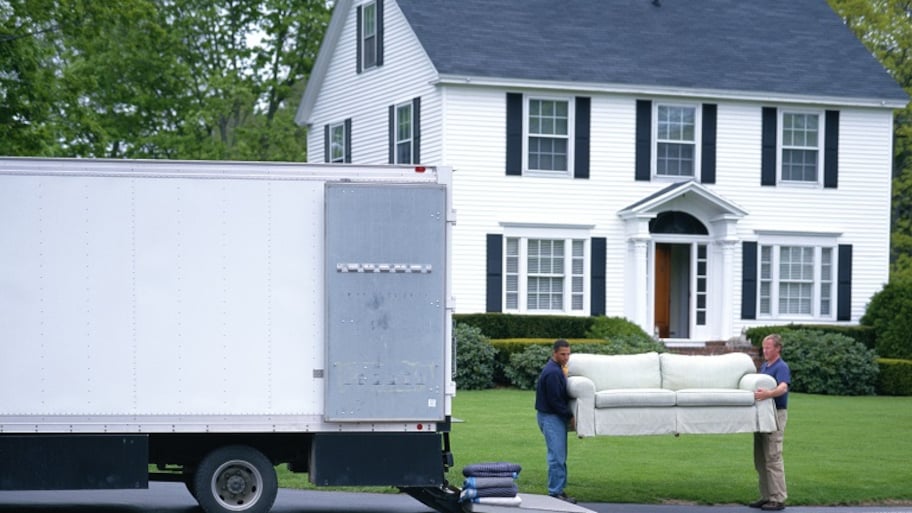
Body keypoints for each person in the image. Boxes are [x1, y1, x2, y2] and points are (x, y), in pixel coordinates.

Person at [750, 334, 791, 511]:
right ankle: (766, 496)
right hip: (762, 415)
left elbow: (783, 387)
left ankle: (778, 498)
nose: (765, 350)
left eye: (768, 347)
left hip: (776, 414)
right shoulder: (765, 366)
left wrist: (768, 394)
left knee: (773, 456)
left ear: (777, 348)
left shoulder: (781, 367)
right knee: (760, 457)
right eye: (764, 347)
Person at [535, 339, 576, 504]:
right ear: (555, 353)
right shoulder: (552, 372)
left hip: (551, 416)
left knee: (560, 455)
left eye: (568, 354)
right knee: (556, 457)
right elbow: (555, 401)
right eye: (562, 354)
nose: (566, 357)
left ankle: (559, 490)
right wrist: (570, 416)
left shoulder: (556, 369)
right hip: (551, 417)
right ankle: (555, 493)